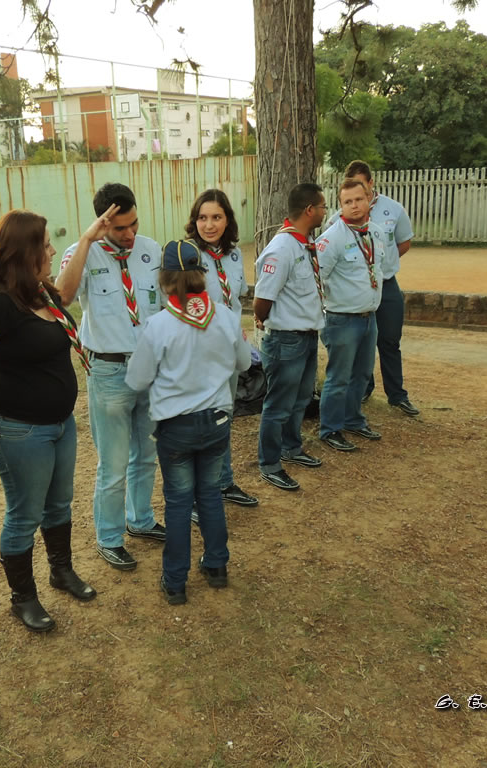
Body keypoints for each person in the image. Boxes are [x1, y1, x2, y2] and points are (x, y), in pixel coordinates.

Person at [0, 210, 99, 634]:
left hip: (60, 424)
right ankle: (23, 598)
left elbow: (68, 290)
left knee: (59, 504)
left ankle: (61, 572)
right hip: (20, 431)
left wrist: (86, 240)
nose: (52, 251)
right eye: (45, 245)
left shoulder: (39, 293)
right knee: (25, 514)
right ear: (25, 252)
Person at [126, 239, 252, 604]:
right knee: (210, 494)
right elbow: (244, 364)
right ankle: (217, 566)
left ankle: (175, 582)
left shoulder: (159, 325)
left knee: (179, 502)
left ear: (165, 280)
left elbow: (136, 380)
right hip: (217, 421)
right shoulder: (225, 316)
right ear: (203, 274)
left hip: (176, 427)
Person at [55, 183, 165, 571]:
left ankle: (141, 519)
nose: (130, 234)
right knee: (114, 463)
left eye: (134, 224)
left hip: (149, 369)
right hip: (109, 370)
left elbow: (165, 307)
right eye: (120, 228)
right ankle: (110, 537)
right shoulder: (81, 253)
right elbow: (61, 298)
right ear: (102, 223)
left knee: (147, 454)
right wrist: (87, 242)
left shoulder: (152, 251)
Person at [186, 188, 259, 508]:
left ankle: (224, 481)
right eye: (202, 218)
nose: (209, 224)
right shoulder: (186, 255)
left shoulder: (233, 254)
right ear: (194, 221)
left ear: (227, 219)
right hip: (200, 351)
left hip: (228, 348)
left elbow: (234, 299)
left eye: (216, 217)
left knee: (223, 417)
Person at [253, 182, 327, 492]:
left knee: (300, 399)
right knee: (278, 405)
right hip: (286, 340)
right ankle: (270, 463)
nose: (325, 211)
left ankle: (291, 447)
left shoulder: (305, 244)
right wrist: (270, 323)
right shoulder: (282, 248)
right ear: (309, 210)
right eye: (322, 206)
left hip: (306, 336)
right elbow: (262, 300)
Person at [333, 161, 419, 416]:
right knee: (360, 341)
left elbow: (404, 242)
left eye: (362, 186)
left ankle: (397, 395)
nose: (357, 197)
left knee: (389, 340)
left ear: (371, 183)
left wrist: (380, 265)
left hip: (386, 285)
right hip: (356, 289)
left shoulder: (394, 209)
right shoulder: (338, 218)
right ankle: (363, 388)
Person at [316, 178, 387, 452]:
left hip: (369, 318)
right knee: (339, 377)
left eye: (359, 199)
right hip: (341, 320)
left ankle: (353, 419)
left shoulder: (376, 233)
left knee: (362, 374)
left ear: (369, 199)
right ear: (340, 206)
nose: (354, 206)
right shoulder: (332, 238)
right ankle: (330, 429)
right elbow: (316, 278)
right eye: (347, 202)